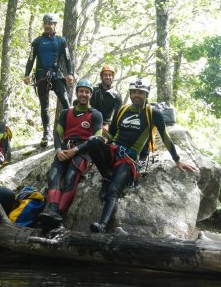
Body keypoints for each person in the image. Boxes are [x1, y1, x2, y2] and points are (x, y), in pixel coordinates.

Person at [86, 77, 196, 233]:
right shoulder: (122, 110)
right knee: (92, 141)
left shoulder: (153, 113)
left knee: (114, 189)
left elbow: (165, 136)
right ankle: (106, 176)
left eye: (141, 92)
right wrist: (101, 139)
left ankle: (102, 225)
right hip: (113, 150)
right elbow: (110, 136)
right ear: (130, 93)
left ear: (146, 94)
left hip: (128, 159)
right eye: (134, 92)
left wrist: (177, 160)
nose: (137, 95)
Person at [37, 78, 103, 230]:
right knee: (53, 176)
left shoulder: (96, 115)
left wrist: (76, 150)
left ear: (90, 95)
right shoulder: (66, 113)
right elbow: (57, 134)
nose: (84, 94)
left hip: (82, 152)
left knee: (71, 177)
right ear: (77, 93)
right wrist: (58, 150)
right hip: (64, 149)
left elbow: (97, 138)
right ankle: (53, 209)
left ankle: (59, 213)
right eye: (81, 91)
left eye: (87, 92)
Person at [23, 13, 74, 147]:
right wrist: (26, 74)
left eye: (50, 23)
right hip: (41, 77)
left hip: (57, 76)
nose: (47, 26)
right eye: (45, 23)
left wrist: (70, 73)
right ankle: (47, 133)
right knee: (44, 106)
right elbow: (30, 59)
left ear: (55, 25)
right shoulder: (37, 41)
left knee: (65, 102)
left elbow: (68, 58)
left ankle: (71, 130)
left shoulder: (61, 41)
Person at [90, 65, 122, 133]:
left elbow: (117, 116)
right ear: (101, 77)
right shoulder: (94, 91)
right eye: (105, 75)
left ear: (113, 77)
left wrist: (109, 126)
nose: (108, 77)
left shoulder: (116, 95)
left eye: (110, 75)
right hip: (90, 121)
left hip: (106, 124)